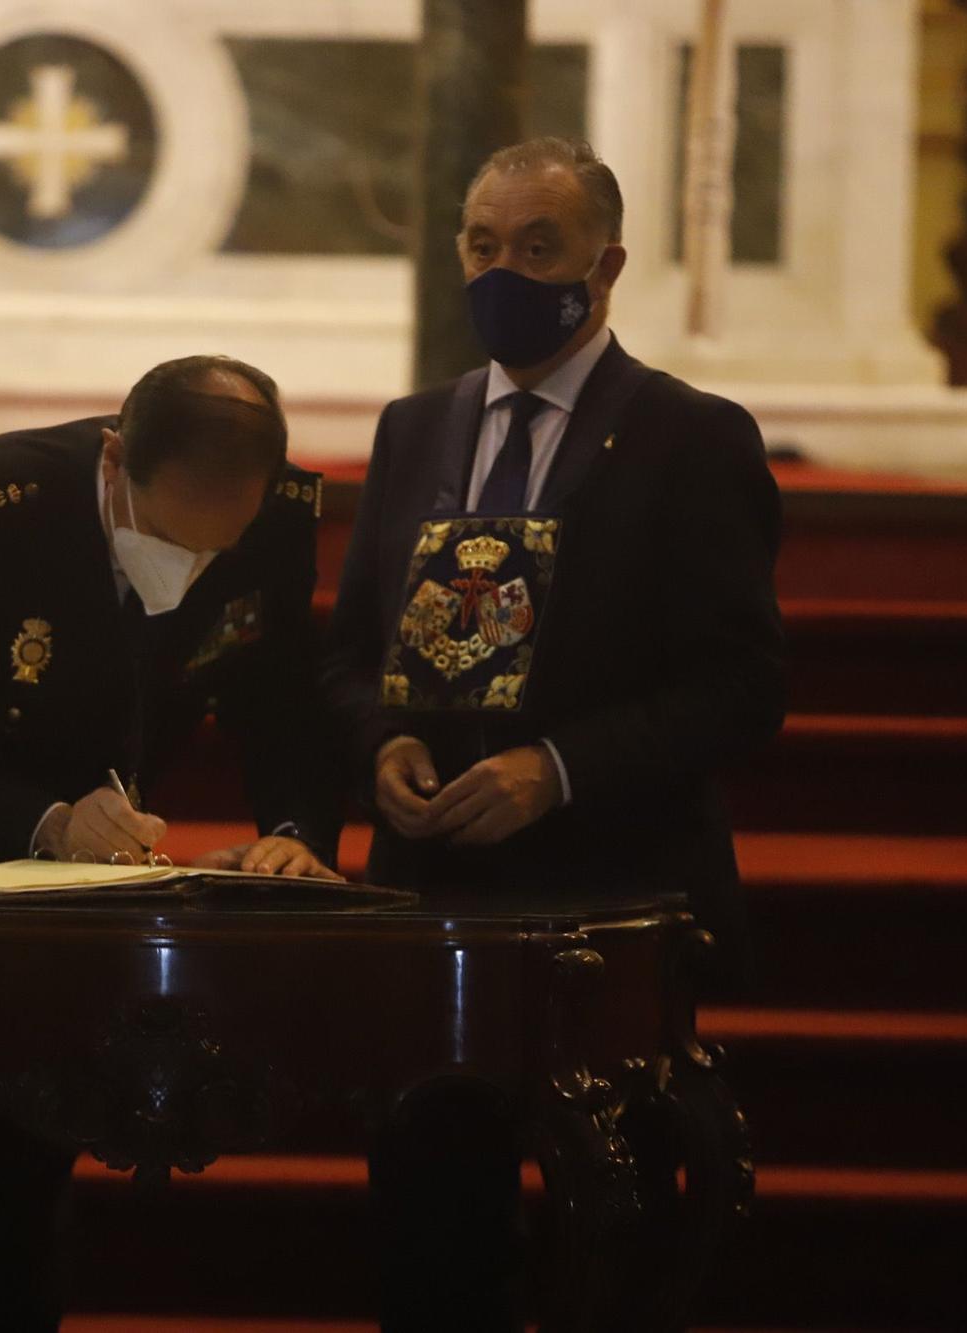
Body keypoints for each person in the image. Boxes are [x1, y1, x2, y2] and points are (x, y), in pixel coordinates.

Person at [321, 138, 786, 1330]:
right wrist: (378, 742)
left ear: (606, 262)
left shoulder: (692, 436)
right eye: (482, 246)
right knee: (428, 1221)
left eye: (539, 249)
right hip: (428, 888)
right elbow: (350, 647)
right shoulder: (411, 428)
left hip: (607, 889)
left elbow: (741, 685)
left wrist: (556, 768)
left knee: (611, 1235)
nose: (504, 272)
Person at [0, 354, 340, 1331]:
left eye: (220, 548)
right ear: (116, 460)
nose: (192, 570)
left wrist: (289, 834)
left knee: (29, 1140)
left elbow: (279, 698)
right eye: (171, 540)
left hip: (77, 875)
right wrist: (43, 819)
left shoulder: (282, 515)